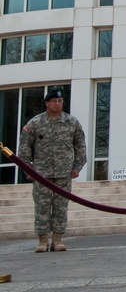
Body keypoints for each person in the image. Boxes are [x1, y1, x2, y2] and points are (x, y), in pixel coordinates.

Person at [19, 88, 87, 253]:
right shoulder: (35, 123)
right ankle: (42, 241)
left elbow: (80, 145)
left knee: (60, 207)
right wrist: (28, 169)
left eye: (60, 101)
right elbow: (24, 148)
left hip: (64, 173)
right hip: (41, 174)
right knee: (42, 207)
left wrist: (77, 166)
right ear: (47, 103)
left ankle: (57, 240)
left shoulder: (72, 123)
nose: (58, 104)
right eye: (55, 101)